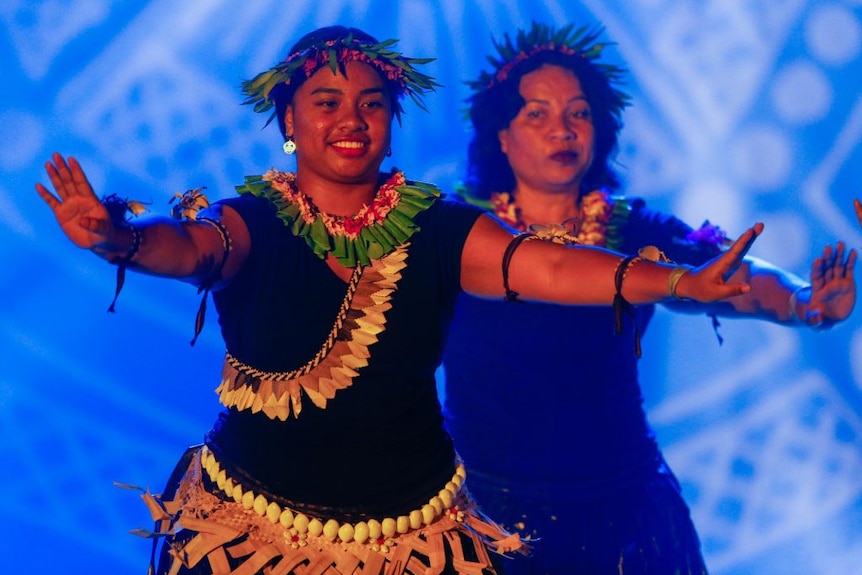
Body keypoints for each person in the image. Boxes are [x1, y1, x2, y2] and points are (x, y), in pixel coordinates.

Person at [36, 25, 765, 575]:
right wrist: (119, 240)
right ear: (290, 121)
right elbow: (186, 247)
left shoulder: (439, 226)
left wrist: (676, 281)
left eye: (371, 103)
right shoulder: (249, 223)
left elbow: (546, 267)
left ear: (390, 121)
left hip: (414, 540)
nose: (351, 118)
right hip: (250, 531)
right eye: (327, 102)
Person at [441, 22, 858, 575]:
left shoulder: (632, 229)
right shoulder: (454, 232)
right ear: (501, 133)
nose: (562, 130)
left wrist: (805, 302)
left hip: (624, 518)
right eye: (537, 114)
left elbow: (723, 273)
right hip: (486, 517)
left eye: (578, 113)